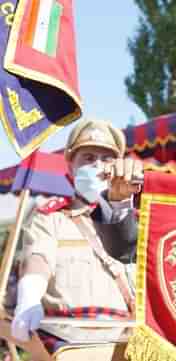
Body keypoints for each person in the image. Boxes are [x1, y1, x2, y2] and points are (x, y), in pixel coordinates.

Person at [10, 120, 142, 351]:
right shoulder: (51, 218)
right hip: (70, 344)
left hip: (125, 344)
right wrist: (29, 296)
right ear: (70, 164)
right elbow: (38, 258)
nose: (98, 166)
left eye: (106, 159)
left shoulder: (134, 222)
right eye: (88, 158)